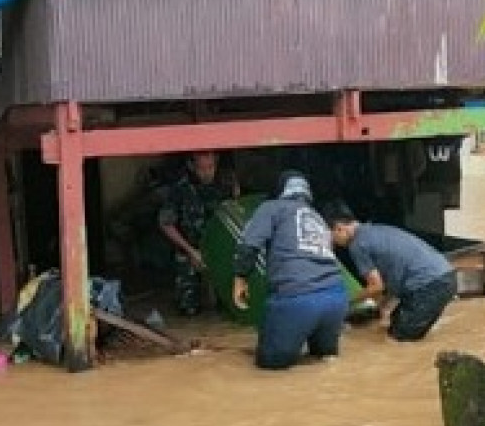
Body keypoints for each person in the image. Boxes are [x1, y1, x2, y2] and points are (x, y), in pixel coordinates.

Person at [232, 171, 348, 370]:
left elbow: (249, 245)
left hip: (296, 298)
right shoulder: (317, 217)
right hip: (336, 297)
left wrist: (240, 278)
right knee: (323, 362)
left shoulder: (271, 208)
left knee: (269, 369)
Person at [323, 205, 456, 342]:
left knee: (395, 340)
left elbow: (376, 286)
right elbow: (393, 274)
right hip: (445, 275)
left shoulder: (357, 245)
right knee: (395, 324)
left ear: (339, 228)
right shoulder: (376, 230)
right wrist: (383, 307)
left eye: (332, 238)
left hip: (429, 285)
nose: (335, 244)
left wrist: (346, 301)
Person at [159, 151, 237, 316]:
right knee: (188, 307)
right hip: (189, 250)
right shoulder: (180, 189)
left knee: (230, 306)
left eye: (211, 167)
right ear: (192, 166)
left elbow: (236, 216)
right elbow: (166, 224)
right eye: (202, 168)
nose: (207, 172)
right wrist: (191, 251)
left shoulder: (226, 184)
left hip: (219, 248)